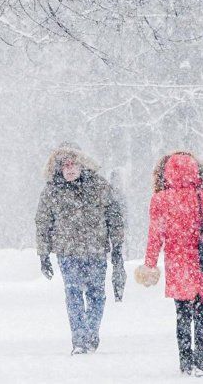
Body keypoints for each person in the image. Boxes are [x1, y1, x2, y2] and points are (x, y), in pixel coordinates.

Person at [135, 152, 203, 377]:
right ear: (196, 171)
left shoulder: (160, 199)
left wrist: (150, 264)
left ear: (166, 172)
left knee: (182, 316)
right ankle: (201, 365)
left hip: (178, 266)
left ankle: (185, 364)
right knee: (201, 316)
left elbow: (155, 235)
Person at [35, 145, 126, 355]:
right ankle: (79, 339)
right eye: (65, 166)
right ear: (59, 169)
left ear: (81, 164)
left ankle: (91, 333)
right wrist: (43, 254)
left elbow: (114, 215)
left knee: (96, 294)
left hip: (95, 250)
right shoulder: (52, 191)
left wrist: (117, 245)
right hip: (67, 252)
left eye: (73, 164)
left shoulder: (99, 186)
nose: (70, 169)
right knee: (73, 294)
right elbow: (43, 222)